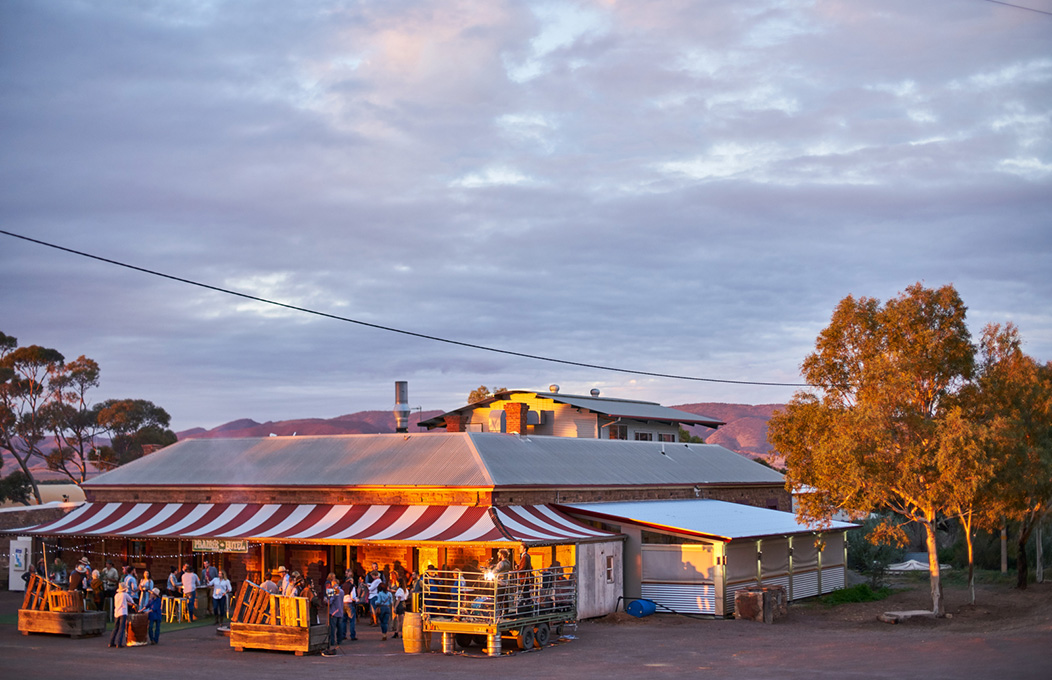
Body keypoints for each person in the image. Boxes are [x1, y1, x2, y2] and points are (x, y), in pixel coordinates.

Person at [108, 582, 134, 648]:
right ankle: (119, 643)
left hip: (117, 612)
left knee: (115, 628)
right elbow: (131, 600)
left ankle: (111, 642)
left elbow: (121, 602)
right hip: (123, 612)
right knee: (121, 628)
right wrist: (133, 604)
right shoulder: (125, 594)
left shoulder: (116, 595)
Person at [325, 577, 343, 650]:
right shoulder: (342, 591)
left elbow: (330, 601)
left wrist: (326, 600)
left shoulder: (334, 591)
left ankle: (332, 641)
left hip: (334, 612)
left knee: (332, 628)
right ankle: (339, 640)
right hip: (340, 611)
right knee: (340, 627)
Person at [341, 571, 358, 642]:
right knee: (352, 620)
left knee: (343, 621)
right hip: (349, 603)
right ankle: (352, 635)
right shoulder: (352, 586)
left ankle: (343, 635)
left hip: (342, 603)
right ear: (350, 580)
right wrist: (357, 599)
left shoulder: (342, 586)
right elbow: (352, 596)